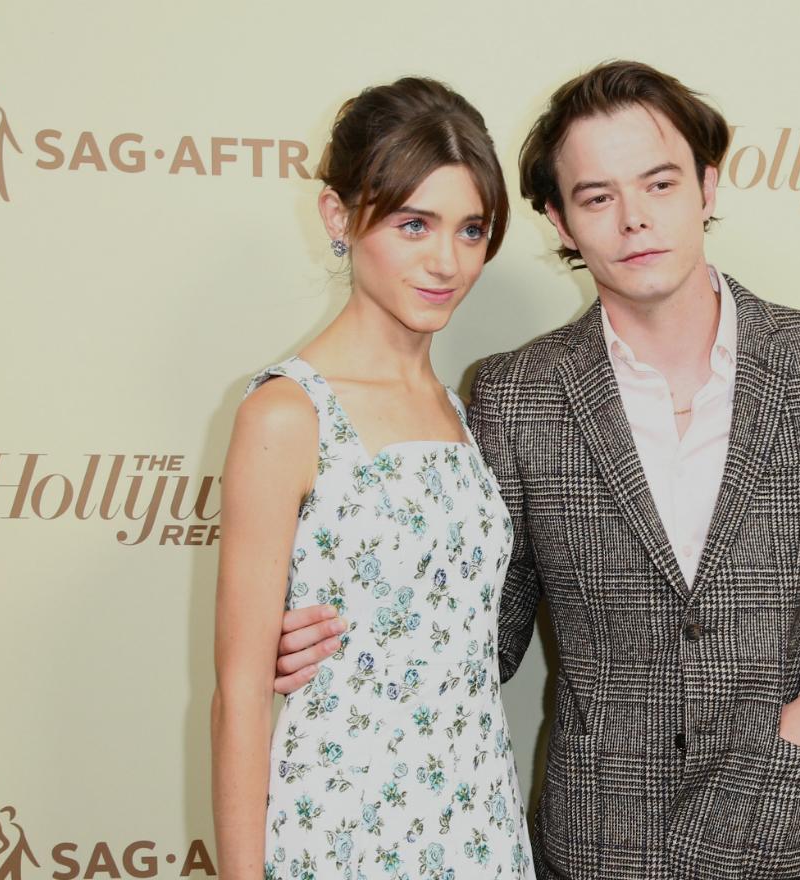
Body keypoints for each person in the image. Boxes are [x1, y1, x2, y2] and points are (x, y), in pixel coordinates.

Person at [274, 61, 800, 879]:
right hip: (603, 843)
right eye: (597, 197)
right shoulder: (518, 394)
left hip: (791, 823)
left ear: (707, 187)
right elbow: (487, 625)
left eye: (659, 184)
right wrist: (344, 640)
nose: (635, 221)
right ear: (558, 220)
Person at [210, 78, 533, 880]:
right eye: (413, 223)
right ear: (337, 217)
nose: (445, 261)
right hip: (344, 827)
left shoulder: (459, 411)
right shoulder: (287, 414)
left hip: (477, 820)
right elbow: (240, 695)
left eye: (471, 230)